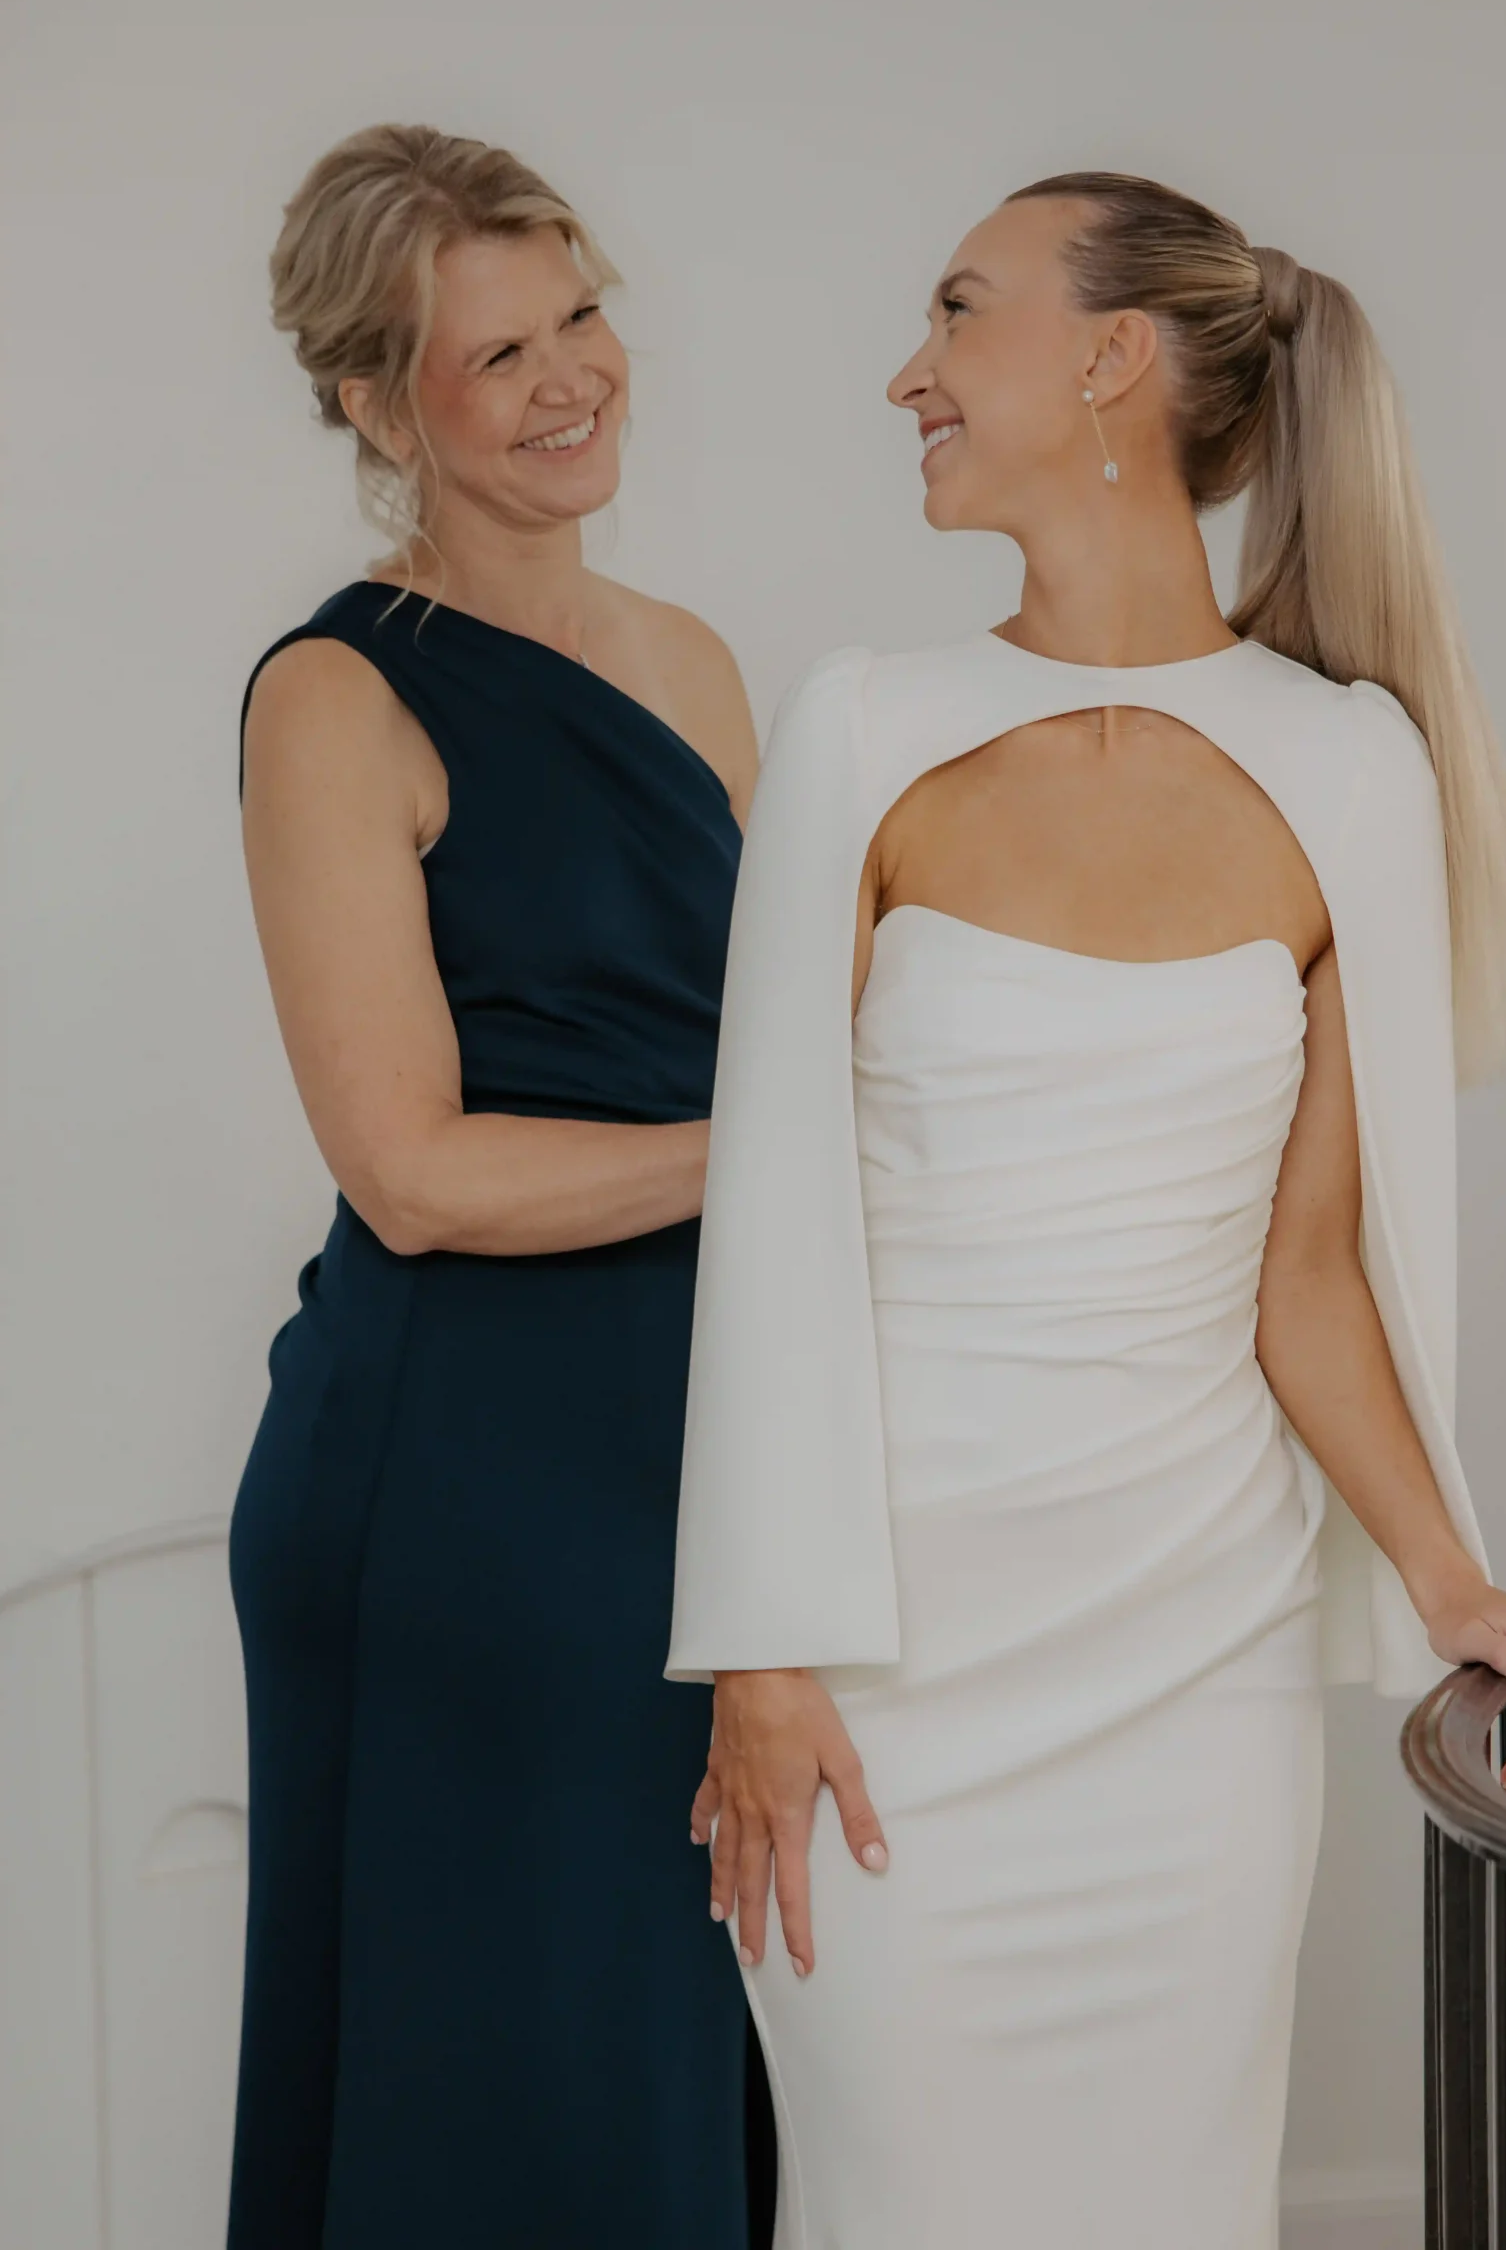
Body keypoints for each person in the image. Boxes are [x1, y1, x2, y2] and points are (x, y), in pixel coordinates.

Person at [667, 174, 1506, 2249]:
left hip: (1192, 1687)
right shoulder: (861, 725)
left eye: (956, 311)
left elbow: (1309, 1277)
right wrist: (759, 1655)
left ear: (1109, 358)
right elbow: (777, 1231)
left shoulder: (1349, 767)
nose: (906, 373)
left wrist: (1454, 1576)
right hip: (886, 1685)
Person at [229, 124, 762, 2249]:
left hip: (686, 1454)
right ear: (381, 408)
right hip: (462, 1483)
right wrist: (789, 1161)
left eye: (581, 317)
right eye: (499, 353)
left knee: (664, 2067)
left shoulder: (693, 661)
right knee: (503, 2092)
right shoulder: (336, 696)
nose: (572, 380)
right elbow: (411, 1170)